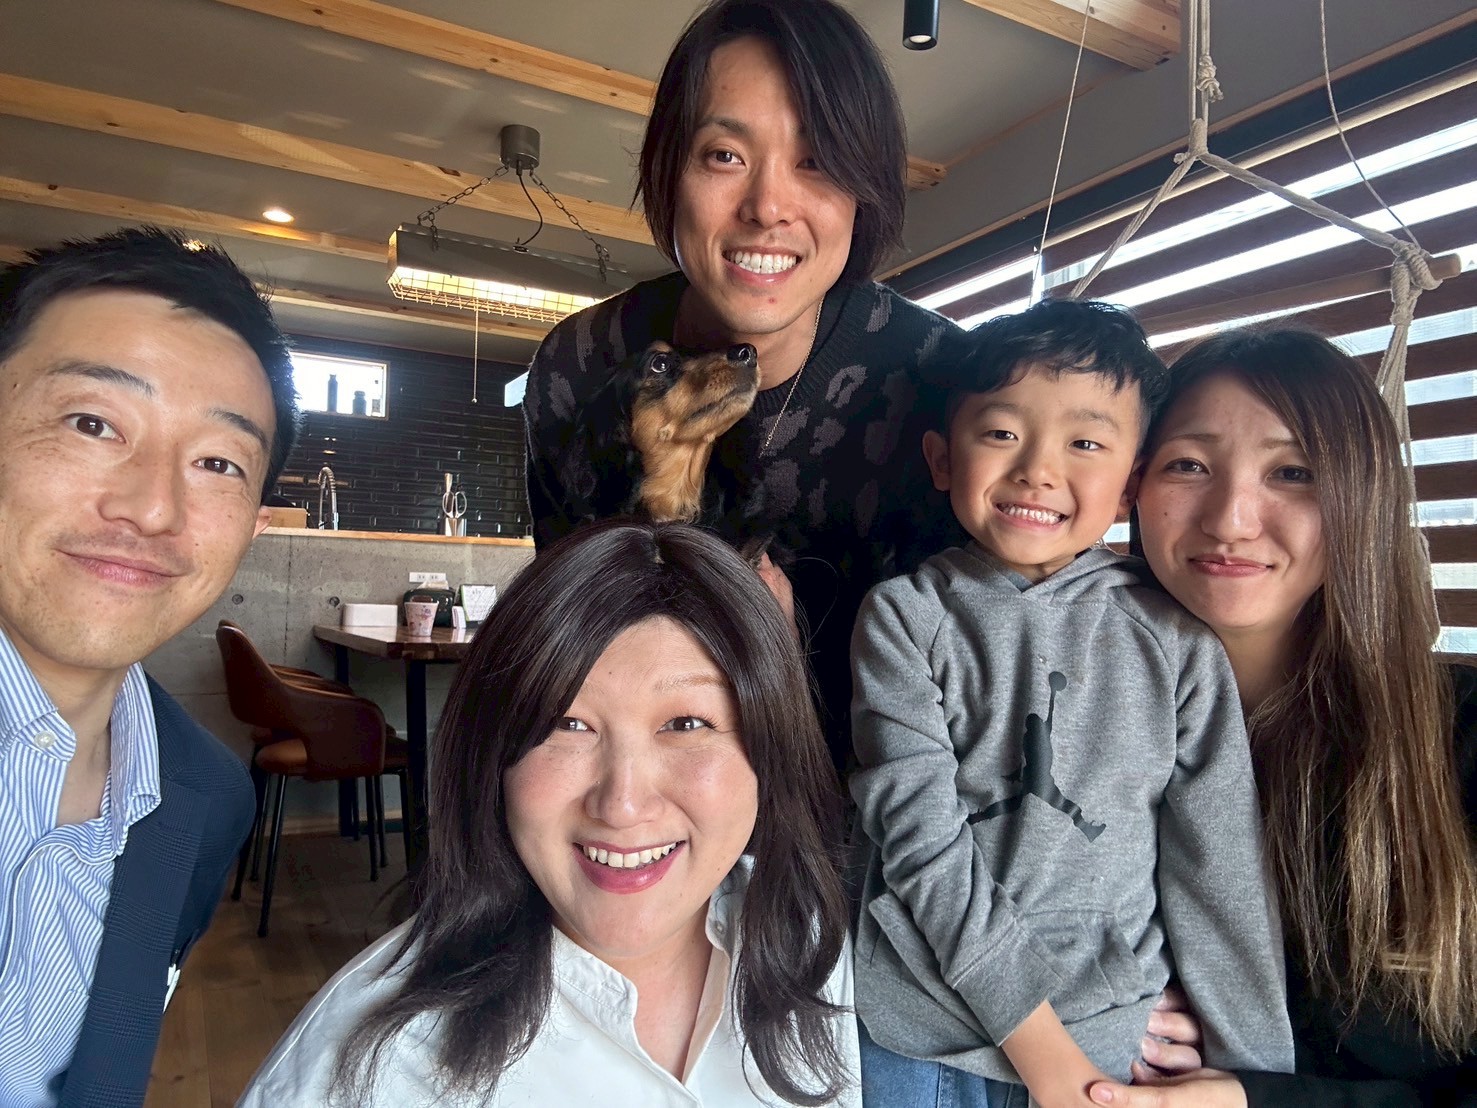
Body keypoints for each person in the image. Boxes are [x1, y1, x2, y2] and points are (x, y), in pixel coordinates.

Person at [239, 519, 859, 1107]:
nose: (622, 805)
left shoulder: (807, 943)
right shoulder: (367, 1068)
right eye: (569, 723)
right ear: (495, 756)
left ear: (770, 748)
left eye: (686, 724)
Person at [848, 300, 1294, 1107]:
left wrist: (1251, 1070)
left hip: (1115, 1033)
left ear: (1130, 484)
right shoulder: (903, 618)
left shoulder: (1176, 640)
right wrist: (1046, 1056)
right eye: (1000, 433)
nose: (1036, 471)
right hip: (920, 1031)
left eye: (1084, 444)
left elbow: (1217, 865)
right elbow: (917, 839)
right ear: (942, 458)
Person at [522, 0, 967, 772]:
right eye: (724, 155)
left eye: (816, 161)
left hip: (882, 815)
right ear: (668, 172)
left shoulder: (940, 379)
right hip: (638, 792)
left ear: (863, 191)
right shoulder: (580, 364)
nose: (767, 207)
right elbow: (561, 639)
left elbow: (983, 665)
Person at [1090, 328, 1477, 1107]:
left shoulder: (1460, 738)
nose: (1230, 519)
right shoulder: (1071, 721)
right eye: (1188, 465)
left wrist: (1255, 1097)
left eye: (1292, 472)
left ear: (1359, 497)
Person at [0, 226, 299, 1107]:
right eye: (92, 423)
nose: (153, 508)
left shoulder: (206, 802)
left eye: (218, 462)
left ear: (253, 523)